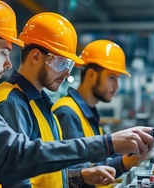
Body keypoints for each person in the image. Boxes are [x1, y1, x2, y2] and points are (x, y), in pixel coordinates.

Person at [0, 1, 154, 188]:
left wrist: (78, 175)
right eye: (4, 52)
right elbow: (14, 159)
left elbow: (1, 166)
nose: (7, 64)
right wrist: (108, 144)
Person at [0, 12, 117, 188]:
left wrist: (79, 175)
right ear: (35, 57)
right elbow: (15, 180)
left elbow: (43, 172)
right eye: (61, 63)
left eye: (69, 65)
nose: (67, 73)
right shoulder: (11, 103)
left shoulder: (41, 105)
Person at [53, 40, 144, 186]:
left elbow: (94, 163)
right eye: (112, 78)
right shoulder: (68, 113)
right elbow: (75, 176)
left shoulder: (87, 113)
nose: (116, 86)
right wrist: (123, 163)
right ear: (90, 75)